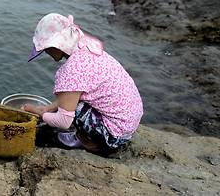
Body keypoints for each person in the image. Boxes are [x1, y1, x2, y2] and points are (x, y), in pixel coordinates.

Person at [21, 13, 143, 156]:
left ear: (57, 44)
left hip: (113, 137)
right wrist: (48, 108)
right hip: (128, 125)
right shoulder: (86, 48)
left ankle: (92, 144)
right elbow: (77, 92)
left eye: (46, 47)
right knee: (73, 101)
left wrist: (41, 114)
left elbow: (64, 121)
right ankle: (93, 136)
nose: (45, 52)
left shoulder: (71, 70)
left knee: (76, 109)